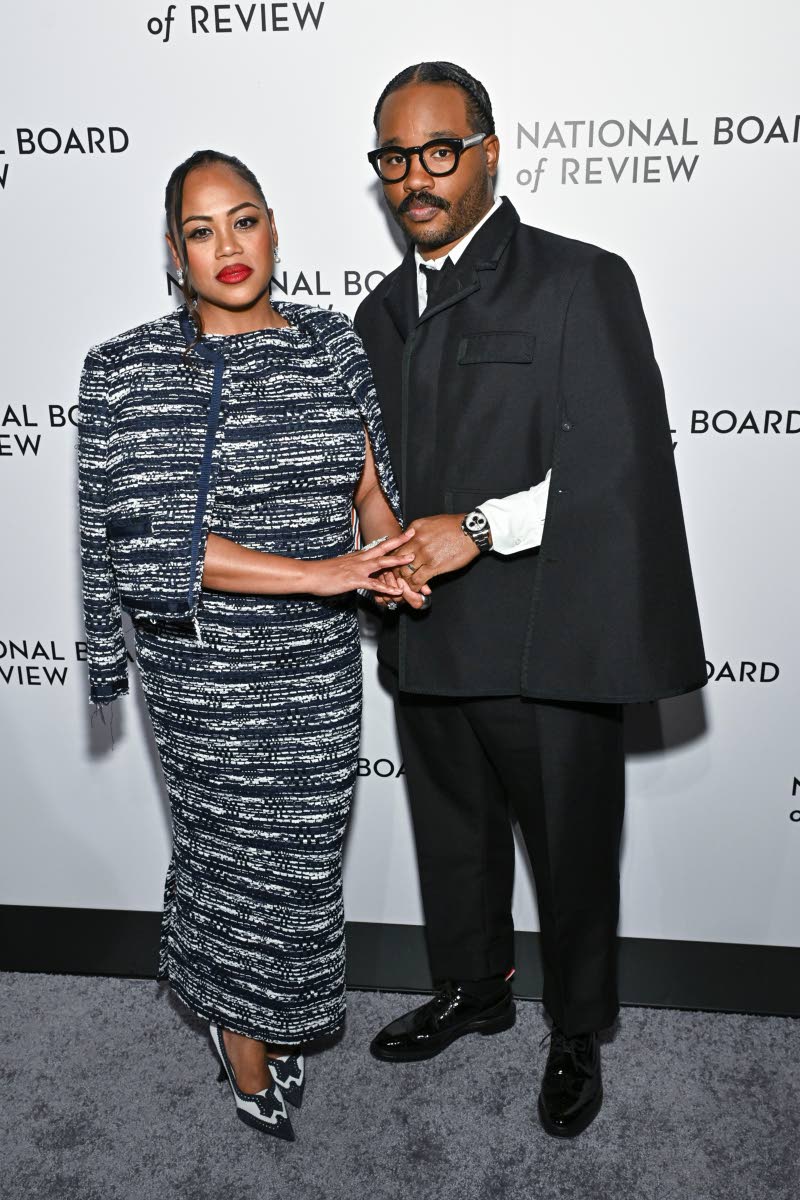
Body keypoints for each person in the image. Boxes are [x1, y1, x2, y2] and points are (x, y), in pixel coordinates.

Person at [355, 62, 707, 1138]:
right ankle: (474, 989)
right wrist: (380, 546)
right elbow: (372, 475)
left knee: (568, 845)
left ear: (489, 150)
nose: (416, 177)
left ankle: (575, 1028)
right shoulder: (377, 311)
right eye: (394, 158)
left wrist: (475, 529)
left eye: (439, 151)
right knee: (450, 835)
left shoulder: (576, 280)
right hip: (423, 633)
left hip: (547, 629)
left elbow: (614, 471)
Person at [77, 148, 421, 1140]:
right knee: (229, 856)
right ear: (175, 254)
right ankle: (238, 1032)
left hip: (317, 667)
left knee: (303, 861)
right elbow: (155, 541)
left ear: (272, 226)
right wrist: (326, 574)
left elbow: (364, 485)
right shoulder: (132, 367)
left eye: (243, 220)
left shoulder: (330, 344)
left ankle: (265, 1006)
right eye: (199, 229)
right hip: (206, 671)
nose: (226, 247)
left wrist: (384, 554)